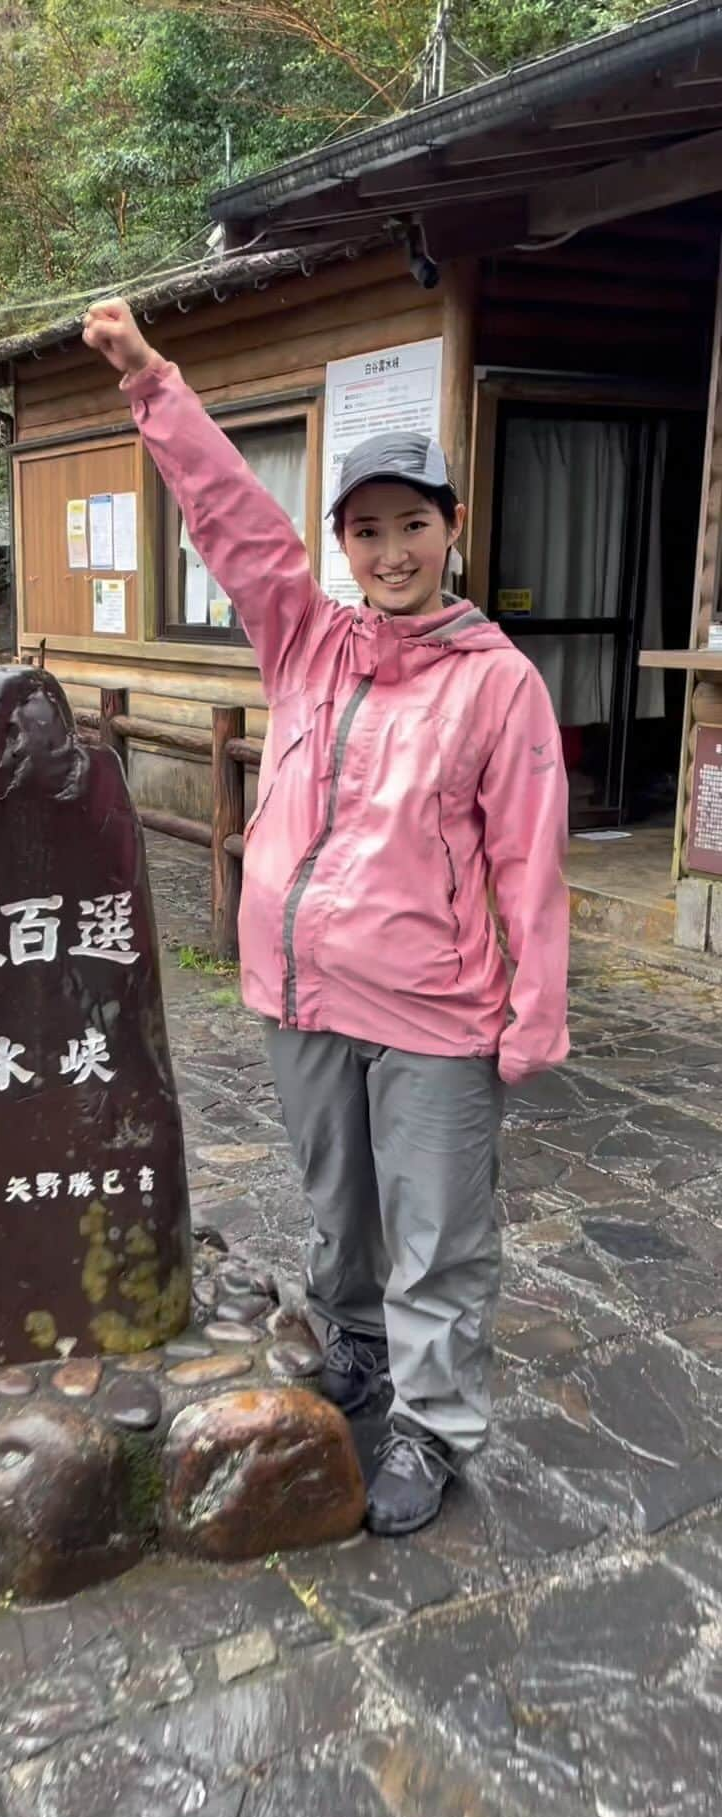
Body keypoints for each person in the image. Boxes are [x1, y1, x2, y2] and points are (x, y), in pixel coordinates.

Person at [83, 298, 569, 1537]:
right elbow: (231, 518)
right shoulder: (305, 643)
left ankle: (432, 1429)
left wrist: (534, 1013)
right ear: (344, 545)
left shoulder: (496, 681)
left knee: (438, 1237)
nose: (391, 548)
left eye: (413, 524)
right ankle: (357, 1353)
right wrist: (154, 385)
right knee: (340, 1214)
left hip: (435, 1013)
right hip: (301, 994)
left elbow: (530, 860)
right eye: (367, 529)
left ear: (451, 531)